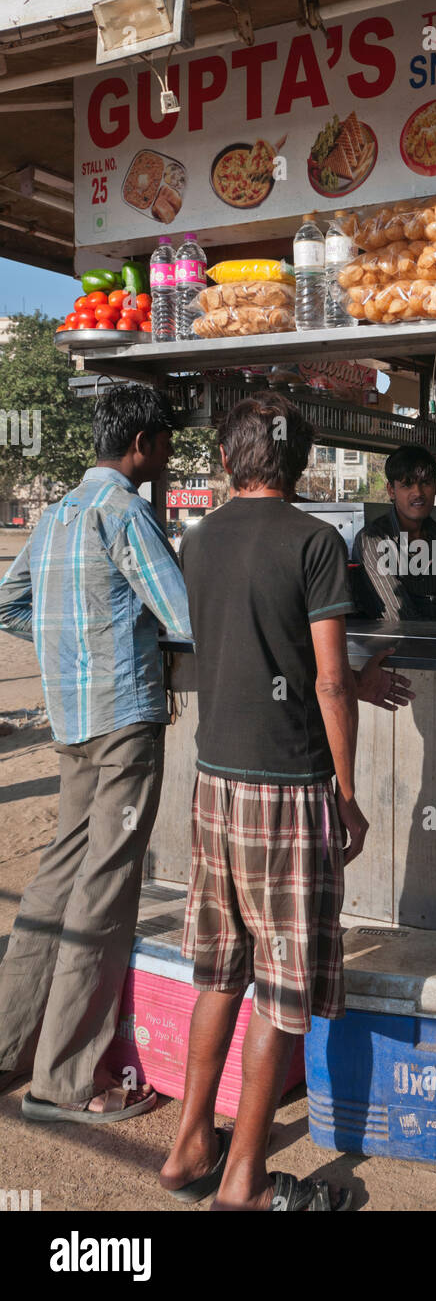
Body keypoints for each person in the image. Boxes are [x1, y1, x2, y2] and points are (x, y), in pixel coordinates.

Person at [159, 393, 410, 1211]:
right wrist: (346, 792)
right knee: (284, 984)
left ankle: (191, 1144)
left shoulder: (198, 539)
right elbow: (328, 679)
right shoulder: (313, 541)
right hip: (287, 788)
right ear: (297, 464)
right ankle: (244, 1184)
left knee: (221, 972)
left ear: (230, 460)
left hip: (213, 782)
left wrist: (346, 683)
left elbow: (261, 652)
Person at [0, 385, 191, 1123]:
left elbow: (9, 603)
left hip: (73, 720)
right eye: (165, 441)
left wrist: (72, 643)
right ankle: (67, 1080)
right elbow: (183, 616)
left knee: (54, 881)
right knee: (105, 893)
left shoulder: (55, 515)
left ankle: (11, 1045)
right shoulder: (124, 511)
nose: (168, 454)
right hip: (122, 722)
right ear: (140, 443)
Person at [351, 445, 436, 623]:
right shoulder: (373, 539)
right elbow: (397, 614)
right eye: (407, 485)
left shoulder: (435, 533)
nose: (418, 493)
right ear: (391, 490)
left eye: (425, 483)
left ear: (435, 487)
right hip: (394, 645)